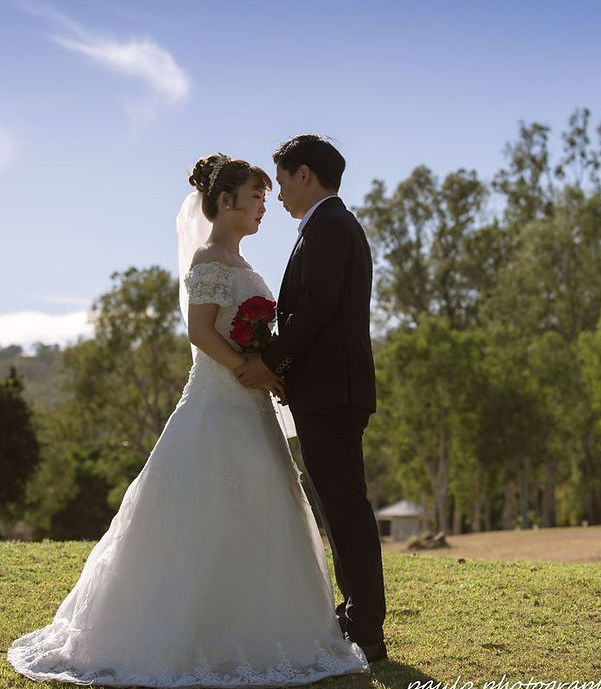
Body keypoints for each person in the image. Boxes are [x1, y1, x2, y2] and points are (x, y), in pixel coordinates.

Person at [8, 154, 369, 687]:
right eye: (255, 197)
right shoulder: (209, 260)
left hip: (251, 405)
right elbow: (200, 333)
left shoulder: (244, 264)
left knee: (266, 507)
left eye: (266, 197)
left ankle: (266, 626)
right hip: (217, 399)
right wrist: (250, 368)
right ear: (225, 201)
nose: (264, 207)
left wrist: (268, 367)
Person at [234, 135, 387, 663]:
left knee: (344, 508)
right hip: (329, 389)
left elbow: (317, 307)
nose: (277, 195)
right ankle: (357, 617)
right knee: (339, 507)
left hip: (332, 391)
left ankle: (365, 628)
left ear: (305, 175)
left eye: (281, 182)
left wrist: (270, 361)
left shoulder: (329, 226)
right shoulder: (328, 225)